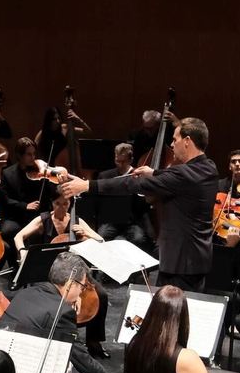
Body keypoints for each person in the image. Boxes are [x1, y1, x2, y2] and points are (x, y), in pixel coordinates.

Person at [60, 116, 218, 291]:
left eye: (175, 139)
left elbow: (132, 184)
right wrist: (154, 172)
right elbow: (178, 178)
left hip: (180, 264)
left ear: (187, 141)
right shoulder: (209, 168)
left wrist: (87, 185)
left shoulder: (183, 174)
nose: (172, 145)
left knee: (171, 315)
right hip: (196, 260)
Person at [12, 192, 112, 358]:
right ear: (52, 203)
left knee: (101, 294)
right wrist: (23, 252)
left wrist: (86, 234)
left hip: (76, 271)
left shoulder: (76, 220)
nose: (61, 207)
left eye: (65, 204)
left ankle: (94, 340)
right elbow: (18, 236)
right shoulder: (43, 219)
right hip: (51, 272)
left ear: (70, 204)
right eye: (58, 203)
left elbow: (101, 240)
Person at [95, 142, 151, 248]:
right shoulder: (105, 176)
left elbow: (144, 205)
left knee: (138, 238)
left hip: (132, 221)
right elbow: (99, 203)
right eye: (117, 161)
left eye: (123, 162)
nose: (119, 165)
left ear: (131, 160)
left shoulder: (138, 176)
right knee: (101, 236)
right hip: (111, 220)